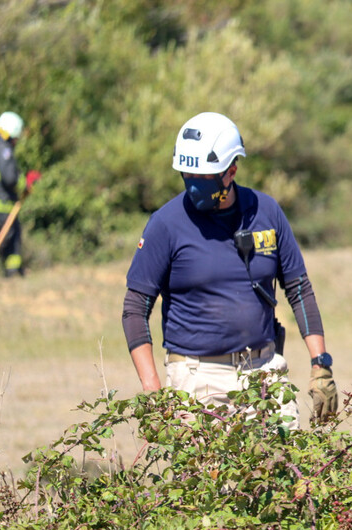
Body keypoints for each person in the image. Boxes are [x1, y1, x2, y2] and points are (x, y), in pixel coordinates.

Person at [122, 112, 338, 428]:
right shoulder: (165, 224)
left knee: (284, 459)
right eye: (187, 176)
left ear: (231, 171)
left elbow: (299, 289)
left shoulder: (266, 212)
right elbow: (134, 309)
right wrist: (153, 392)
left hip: (265, 373)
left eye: (203, 179)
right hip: (196, 380)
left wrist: (321, 365)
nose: (193, 187)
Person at [0, 111, 26, 277]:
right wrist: (23, 182)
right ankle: (13, 273)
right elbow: (10, 179)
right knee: (11, 242)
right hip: (2, 208)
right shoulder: (3, 150)